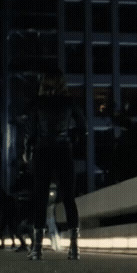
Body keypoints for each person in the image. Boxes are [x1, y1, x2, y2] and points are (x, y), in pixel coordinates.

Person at [26, 69, 86, 260]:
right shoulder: (69, 103)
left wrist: (27, 152)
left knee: (40, 199)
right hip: (63, 150)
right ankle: (74, 248)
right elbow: (83, 127)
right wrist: (72, 139)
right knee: (69, 197)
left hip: (43, 151)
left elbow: (30, 132)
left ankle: (37, 249)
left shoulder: (38, 103)